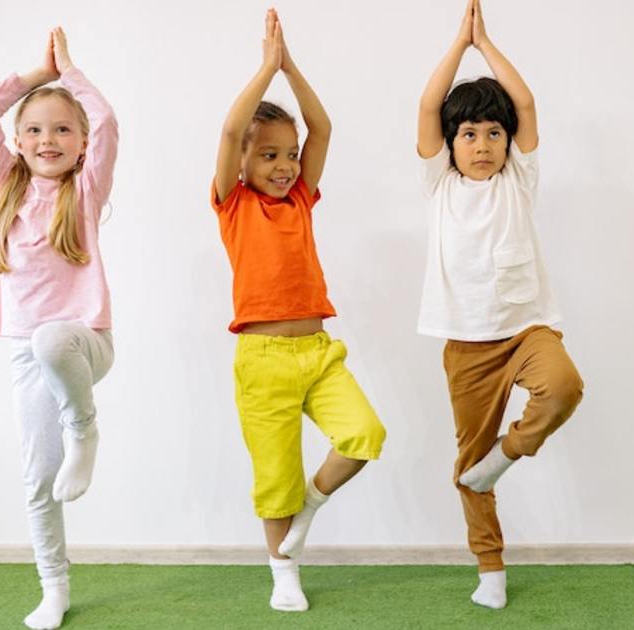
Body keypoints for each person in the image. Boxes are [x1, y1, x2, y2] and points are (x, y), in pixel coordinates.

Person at [211, 8, 386, 612]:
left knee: (365, 434)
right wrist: (264, 70)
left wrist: (290, 66)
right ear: (242, 166)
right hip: (261, 360)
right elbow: (233, 132)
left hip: (317, 352)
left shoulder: (302, 201)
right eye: (269, 157)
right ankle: (283, 570)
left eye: (289, 155)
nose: (285, 166)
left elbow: (323, 126)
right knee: (276, 478)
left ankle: (311, 508)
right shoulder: (233, 205)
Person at [417, 0, 584, 609]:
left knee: (564, 386)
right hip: (466, 343)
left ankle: (508, 452)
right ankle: (490, 569)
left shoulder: (520, 179)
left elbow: (528, 104)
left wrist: (486, 46)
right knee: (469, 463)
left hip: (526, 328)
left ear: (509, 143)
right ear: (452, 145)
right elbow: (429, 107)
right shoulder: (439, 185)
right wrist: (458, 47)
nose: (482, 144)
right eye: (469, 135)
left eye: (493, 133)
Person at [0, 27, 118, 629]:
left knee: (50, 336)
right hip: (29, 357)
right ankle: (53, 587)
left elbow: (108, 120)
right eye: (34, 129)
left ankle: (85, 429)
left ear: (82, 145)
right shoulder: (6, 186)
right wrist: (36, 77)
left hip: (84, 345)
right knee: (38, 480)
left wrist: (70, 72)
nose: (47, 139)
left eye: (62, 129)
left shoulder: (84, 193)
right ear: (16, 143)